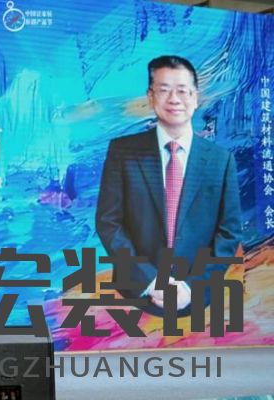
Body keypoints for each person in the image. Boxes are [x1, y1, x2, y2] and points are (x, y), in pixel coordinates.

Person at [95, 55, 242, 317]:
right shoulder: (123, 152)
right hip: (135, 294)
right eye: (164, 90)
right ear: (151, 97)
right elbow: (109, 222)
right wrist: (150, 280)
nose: (174, 99)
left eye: (182, 91)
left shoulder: (221, 160)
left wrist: (192, 287)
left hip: (199, 296)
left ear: (195, 98)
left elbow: (229, 232)